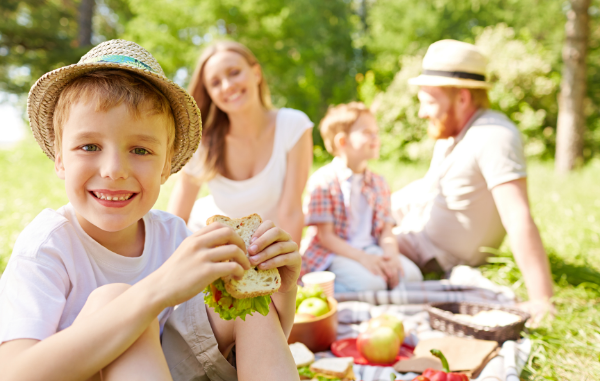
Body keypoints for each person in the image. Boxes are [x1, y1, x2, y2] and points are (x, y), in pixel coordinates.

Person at [0, 40, 301, 381]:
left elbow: (253, 341)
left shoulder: (172, 234)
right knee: (115, 301)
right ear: (60, 159)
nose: (114, 169)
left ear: (166, 166)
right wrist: (156, 291)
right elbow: (12, 373)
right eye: (89, 146)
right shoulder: (47, 247)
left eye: (140, 150)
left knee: (240, 296)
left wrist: (280, 291)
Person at [392, 39, 553, 319]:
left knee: (348, 254)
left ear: (463, 98)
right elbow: (432, 188)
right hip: (415, 224)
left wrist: (541, 300)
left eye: (429, 102)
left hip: (430, 250)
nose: (422, 113)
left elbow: (517, 216)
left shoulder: (493, 136)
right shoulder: (454, 134)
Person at [167, 41, 313, 245]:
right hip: (221, 247)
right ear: (210, 94)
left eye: (234, 72)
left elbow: (291, 212)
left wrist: (288, 271)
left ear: (256, 73)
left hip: (269, 249)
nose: (227, 86)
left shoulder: (293, 126)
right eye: (215, 83)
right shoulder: (203, 144)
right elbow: (176, 218)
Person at [302, 103, 423, 293]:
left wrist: (391, 256)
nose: (376, 137)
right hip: (334, 253)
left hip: (370, 249)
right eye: (367, 132)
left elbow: (385, 230)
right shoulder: (323, 182)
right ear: (342, 141)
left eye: (376, 132)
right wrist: (363, 258)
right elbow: (326, 237)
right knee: (373, 285)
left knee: (412, 276)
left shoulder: (378, 182)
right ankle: (317, 288)